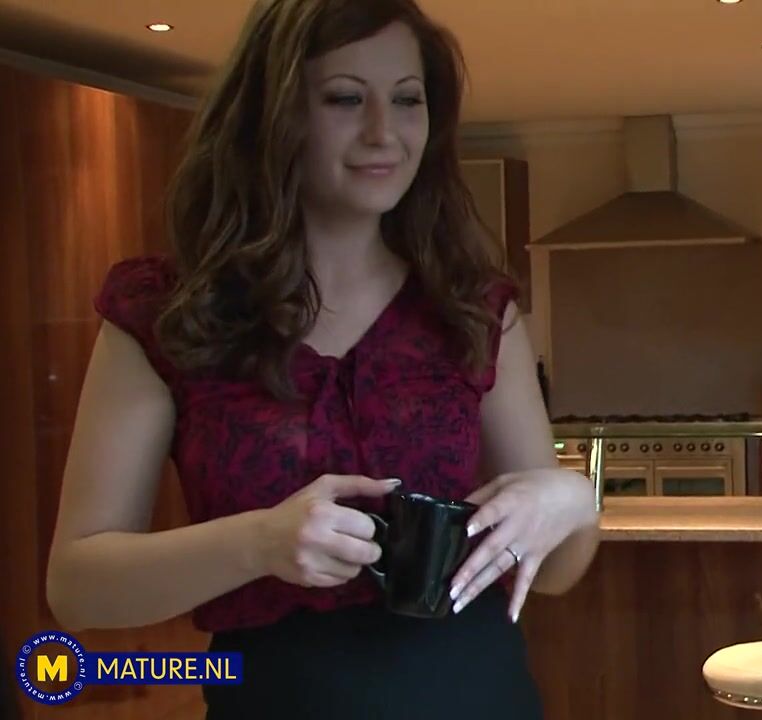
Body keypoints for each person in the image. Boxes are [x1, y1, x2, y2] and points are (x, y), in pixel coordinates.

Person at [44, 0, 600, 717]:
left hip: (478, 692)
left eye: (407, 100)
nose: (384, 132)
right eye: (345, 98)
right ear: (273, 116)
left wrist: (572, 502)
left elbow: (553, 573)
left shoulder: (472, 308)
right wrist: (259, 544)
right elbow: (77, 588)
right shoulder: (165, 314)